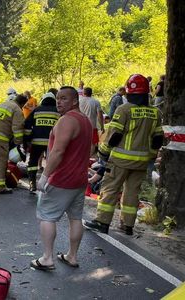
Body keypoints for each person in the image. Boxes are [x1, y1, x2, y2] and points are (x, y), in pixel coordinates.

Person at [84, 74, 163, 235]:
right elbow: (158, 138)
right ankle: (127, 226)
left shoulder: (124, 110)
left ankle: (102, 222)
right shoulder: (155, 113)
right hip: (141, 162)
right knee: (132, 193)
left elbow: (114, 135)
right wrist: (152, 155)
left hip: (120, 160)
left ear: (129, 93)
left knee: (110, 190)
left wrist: (103, 153)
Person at [30, 86, 92, 271]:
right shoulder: (85, 120)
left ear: (75, 101)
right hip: (79, 180)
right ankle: (72, 256)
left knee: (47, 217)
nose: (59, 101)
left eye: (64, 98)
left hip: (62, 179)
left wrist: (45, 176)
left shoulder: (67, 120)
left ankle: (47, 258)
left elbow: (58, 151)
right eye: (58, 98)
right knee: (75, 218)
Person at [24, 92, 60, 193]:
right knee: (52, 163)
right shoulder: (58, 111)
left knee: (33, 162)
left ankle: (32, 183)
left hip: (36, 142)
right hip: (52, 144)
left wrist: (27, 139)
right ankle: (50, 185)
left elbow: (27, 125)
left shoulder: (37, 110)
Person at [79, 87, 104, 155]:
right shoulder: (96, 102)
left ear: (84, 93)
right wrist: (102, 126)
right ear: (91, 93)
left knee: (80, 142)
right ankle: (89, 158)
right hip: (92, 126)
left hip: (80, 125)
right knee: (92, 143)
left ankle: (81, 158)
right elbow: (99, 116)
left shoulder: (79, 101)